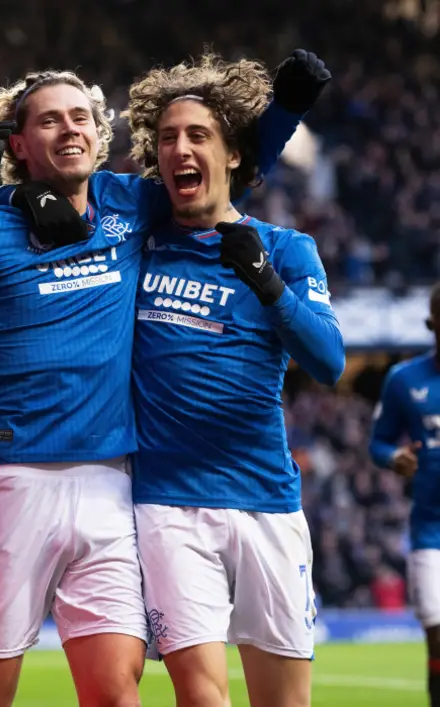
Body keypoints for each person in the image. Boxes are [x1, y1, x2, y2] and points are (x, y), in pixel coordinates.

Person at [0, 54, 326, 707]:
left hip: (113, 489)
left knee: (117, 695)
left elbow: (214, 188)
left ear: (98, 131)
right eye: (50, 121)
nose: (70, 129)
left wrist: (284, 113)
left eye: (81, 117)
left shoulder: (128, 202)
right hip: (13, 484)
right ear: (18, 144)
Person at [124, 52, 344, 707]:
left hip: (266, 501)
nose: (179, 150)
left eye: (196, 137)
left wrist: (267, 284)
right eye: (166, 139)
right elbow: (215, 172)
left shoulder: (285, 250)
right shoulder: (142, 234)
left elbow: (329, 361)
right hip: (168, 504)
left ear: (234, 155)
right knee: (202, 697)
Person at [370, 282, 440, 707]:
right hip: (431, 531)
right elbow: (377, 443)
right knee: (438, 637)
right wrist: (394, 456)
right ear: (433, 325)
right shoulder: (405, 380)